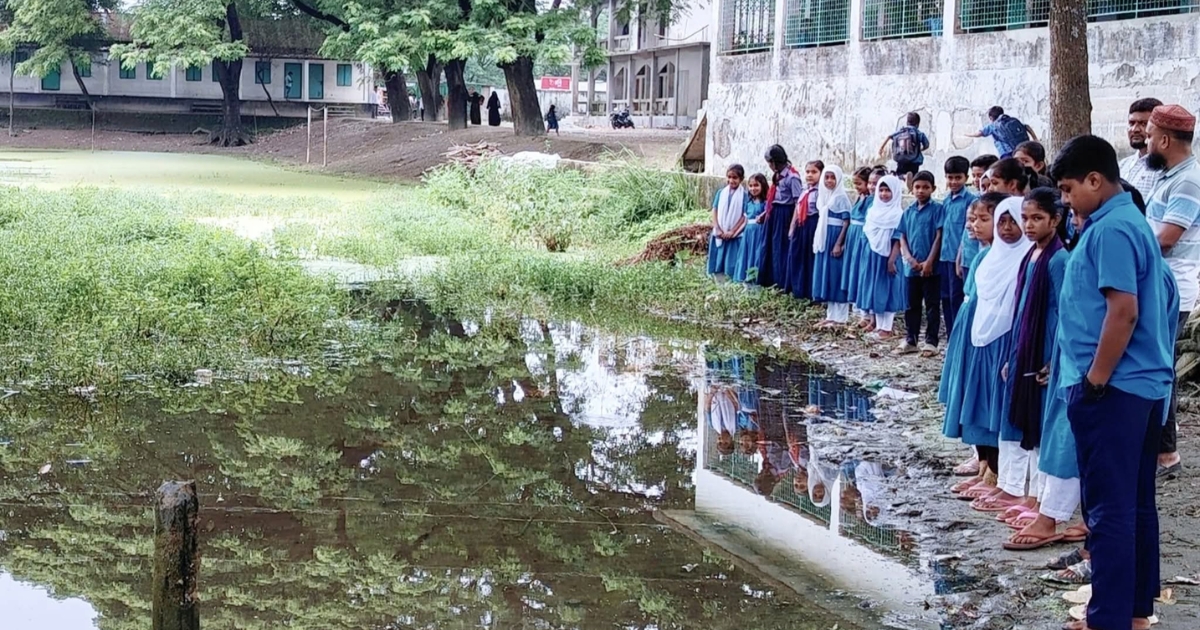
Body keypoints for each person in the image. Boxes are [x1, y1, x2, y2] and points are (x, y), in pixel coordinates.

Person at [1051, 134, 1175, 630]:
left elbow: (1122, 312)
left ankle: (1108, 619)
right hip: (1140, 388)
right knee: (1136, 504)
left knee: (1109, 512)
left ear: (1096, 180)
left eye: (1067, 189)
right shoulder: (1125, 222)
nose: (1064, 200)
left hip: (1117, 389)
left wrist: (1096, 381)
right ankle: (1135, 612)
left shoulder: (1112, 230)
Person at [997, 188, 1072, 550]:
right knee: (1027, 420)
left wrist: (1052, 359)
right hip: (1026, 349)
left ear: (1055, 220)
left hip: (1045, 352)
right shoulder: (1032, 254)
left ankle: (1043, 502)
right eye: (1025, 217)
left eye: (1036, 218)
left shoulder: (1058, 260)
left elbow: (1062, 314)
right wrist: (1015, 356)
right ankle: (1031, 495)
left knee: (1043, 426)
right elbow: (1023, 308)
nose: (1028, 225)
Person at [962, 196, 1035, 513]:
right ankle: (991, 470)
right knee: (985, 404)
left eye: (1013, 221)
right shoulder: (989, 258)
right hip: (983, 338)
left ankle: (1008, 480)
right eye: (1002, 221)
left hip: (1010, 341)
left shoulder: (1029, 259)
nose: (1007, 228)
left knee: (1005, 410)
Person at [1143, 103, 1199, 479]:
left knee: (1161, 367)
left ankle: (1166, 454)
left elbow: (1167, 237)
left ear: (1164, 139)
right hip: (1159, 283)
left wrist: (1129, 239)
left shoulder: (1188, 180)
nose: (1146, 142)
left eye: (1148, 136)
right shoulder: (1170, 176)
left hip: (1172, 285)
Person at [942, 193, 1008, 499]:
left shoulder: (1010, 258)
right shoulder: (983, 255)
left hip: (992, 337)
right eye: (972, 219)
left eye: (983, 219)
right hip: (971, 330)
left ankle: (993, 472)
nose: (974, 225)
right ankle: (983, 466)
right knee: (969, 395)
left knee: (984, 401)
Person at [896, 171, 945, 357]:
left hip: (932, 268)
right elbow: (902, 236)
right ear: (912, 189)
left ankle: (931, 341)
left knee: (932, 305)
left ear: (933, 188)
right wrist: (909, 258)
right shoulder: (908, 211)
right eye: (917, 187)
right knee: (911, 305)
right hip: (911, 268)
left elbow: (939, 236)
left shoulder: (938, 210)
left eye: (925, 187)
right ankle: (911, 339)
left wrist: (929, 261)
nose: (921, 191)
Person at [860, 175, 908, 339]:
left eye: (888, 190)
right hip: (873, 256)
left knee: (889, 290)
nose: (884, 194)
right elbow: (868, 233)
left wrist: (892, 260)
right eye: (881, 189)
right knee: (876, 289)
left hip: (889, 258)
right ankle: (879, 326)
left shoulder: (897, 214)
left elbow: (897, 239)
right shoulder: (873, 211)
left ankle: (886, 328)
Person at [813, 166, 854, 326]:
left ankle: (841, 316)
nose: (829, 181)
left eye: (833, 178)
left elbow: (846, 221)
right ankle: (831, 315)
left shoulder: (841, 198)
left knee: (837, 276)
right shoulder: (824, 198)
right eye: (827, 177)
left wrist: (839, 243)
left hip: (835, 238)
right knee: (827, 275)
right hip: (825, 238)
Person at [941, 156, 977, 335]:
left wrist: (959, 257)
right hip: (944, 256)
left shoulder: (971, 201)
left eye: (958, 177)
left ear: (966, 178)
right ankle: (950, 336)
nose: (953, 182)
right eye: (950, 177)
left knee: (958, 298)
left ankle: (959, 335)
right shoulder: (946, 200)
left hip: (959, 258)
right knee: (945, 298)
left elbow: (967, 234)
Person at [760, 146, 803, 290]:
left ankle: (782, 281)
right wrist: (765, 213)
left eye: (770, 163)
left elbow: (798, 203)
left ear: (775, 162)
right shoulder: (778, 175)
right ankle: (770, 278)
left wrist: (792, 225)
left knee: (781, 248)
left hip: (785, 215)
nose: (770, 166)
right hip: (774, 212)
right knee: (770, 246)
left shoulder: (792, 177)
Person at [784, 160, 824, 301]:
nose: (810, 175)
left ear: (821, 173)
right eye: (807, 172)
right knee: (796, 256)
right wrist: (792, 227)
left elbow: (822, 212)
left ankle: (810, 291)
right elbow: (798, 207)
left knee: (809, 258)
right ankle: (796, 289)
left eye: (814, 172)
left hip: (813, 226)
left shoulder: (821, 192)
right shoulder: (804, 190)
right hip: (801, 226)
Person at [843, 167, 875, 330]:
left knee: (863, 274)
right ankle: (859, 312)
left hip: (862, 237)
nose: (857, 187)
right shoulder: (859, 198)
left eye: (859, 183)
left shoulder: (871, 201)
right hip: (853, 238)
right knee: (854, 273)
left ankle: (868, 314)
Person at [708, 164, 748, 281]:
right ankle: (717, 275)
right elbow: (714, 210)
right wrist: (717, 228)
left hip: (734, 234)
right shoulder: (721, 193)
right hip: (720, 232)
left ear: (741, 179)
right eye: (729, 177)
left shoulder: (744, 196)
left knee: (731, 260)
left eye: (735, 178)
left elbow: (743, 215)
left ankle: (730, 277)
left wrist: (732, 231)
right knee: (718, 259)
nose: (731, 180)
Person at [1119, 97, 1164, 197]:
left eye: (1143, 124)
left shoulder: (1163, 169)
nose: (1135, 129)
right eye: (1131, 123)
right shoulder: (1122, 166)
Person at [879, 112, 930, 191]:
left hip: (901, 159)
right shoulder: (919, 133)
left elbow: (889, 136)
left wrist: (881, 148)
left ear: (907, 122)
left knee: (899, 174)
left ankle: (904, 177)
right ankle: (913, 190)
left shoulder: (900, 131)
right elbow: (926, 145)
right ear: (918, 123)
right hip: (914, 160)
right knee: (914, 176)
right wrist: (920, 149)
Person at [736, 173, 770, 284]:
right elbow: (745, 221)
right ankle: (746, 276)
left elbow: (768, 214)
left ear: (763, 186)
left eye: (756, 185)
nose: (753, 188)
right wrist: (735, 233)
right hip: (748, 233)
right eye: (750, 186)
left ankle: (756, 277)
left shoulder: (765, 203)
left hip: (759, 232)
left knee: (757, 254)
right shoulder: (748, 203)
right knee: (746, 253)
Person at [968, 106, 1038, 158]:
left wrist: (968, 135)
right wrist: (1035, 139)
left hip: (1006, 153)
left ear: (991, 118)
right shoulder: (1012, 120)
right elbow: (1027, 127)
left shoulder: (992, 126)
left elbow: (979, 133)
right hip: (1020, 150)